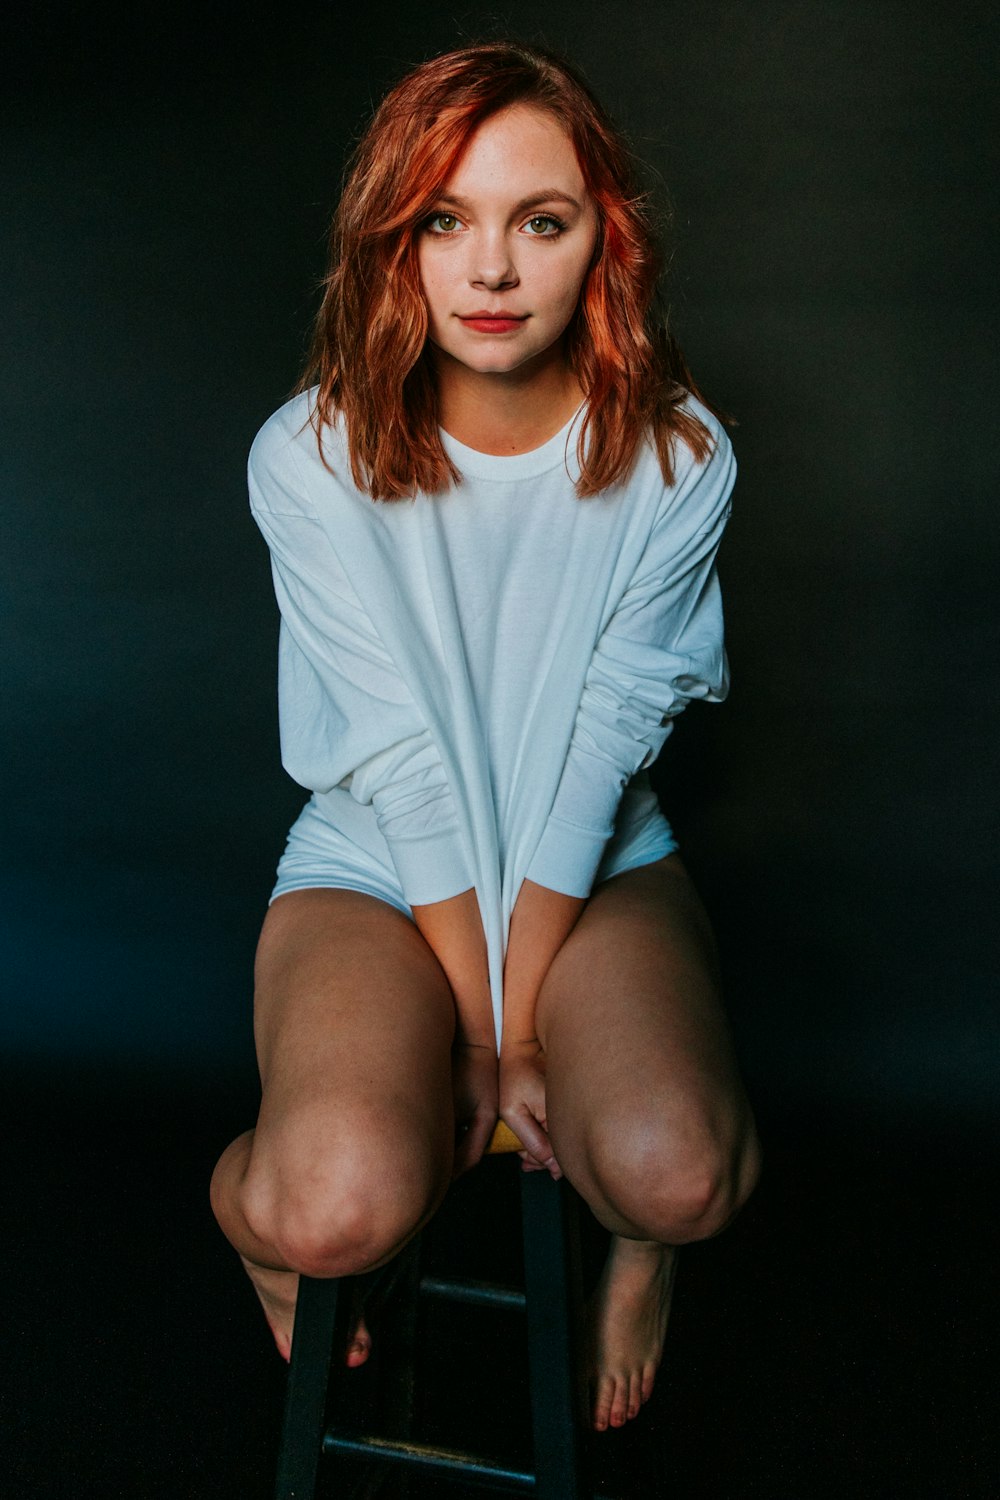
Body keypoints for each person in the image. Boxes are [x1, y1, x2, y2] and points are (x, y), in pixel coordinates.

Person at [210, 39, 761, 1434]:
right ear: (395, 242)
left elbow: (602, 742)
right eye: (445, 221)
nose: (493, 270)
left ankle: (639, 1257)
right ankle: (251, 1228)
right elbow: (395, 755)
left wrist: (515, 1023)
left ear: (602, 242)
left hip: (601, 862)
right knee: (326, 1208)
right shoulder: (312, 456)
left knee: (680, 1176)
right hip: (382, 864)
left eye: (542, 220)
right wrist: (485, 1029)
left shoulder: (680, 456)